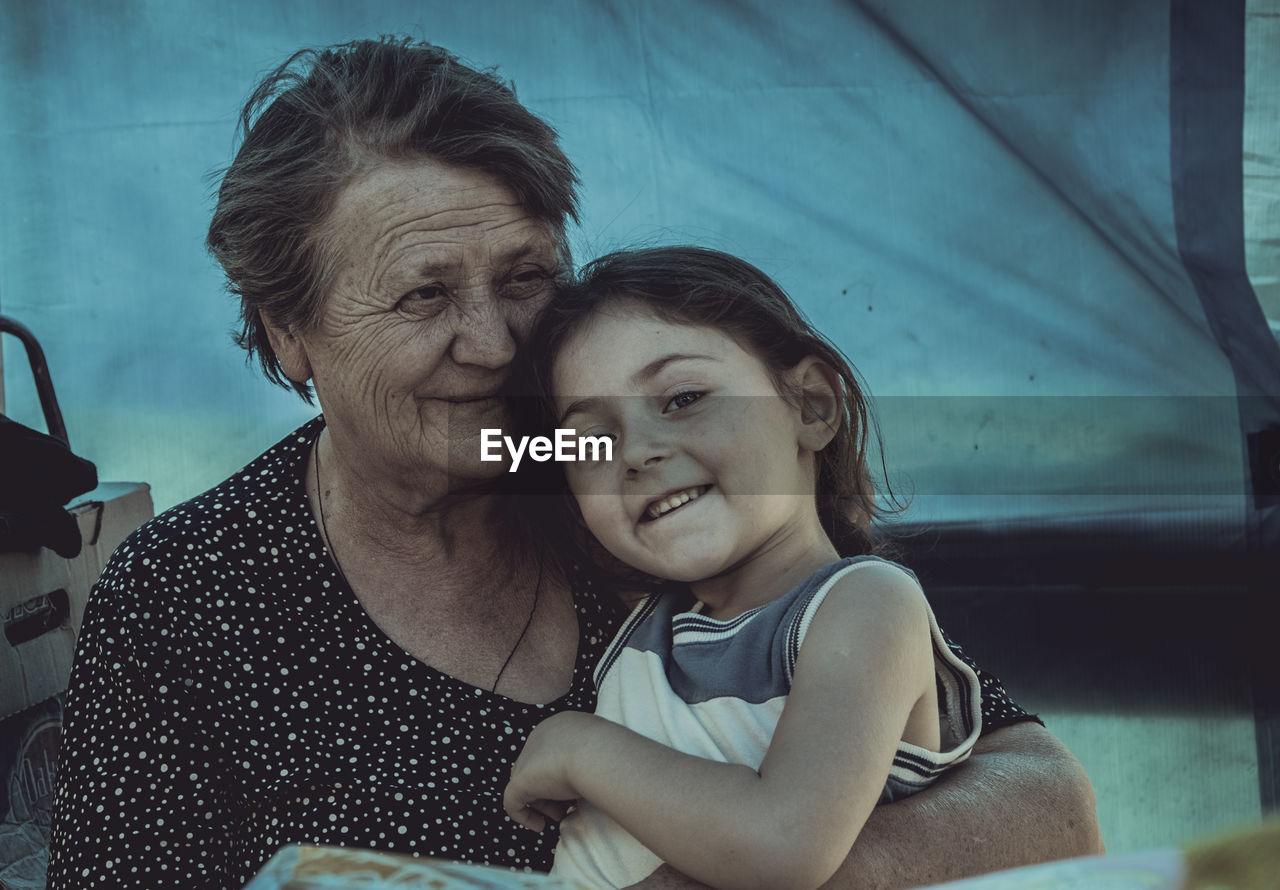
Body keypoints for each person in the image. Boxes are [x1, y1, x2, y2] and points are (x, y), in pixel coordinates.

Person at [47, 37, 1102, 890]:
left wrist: (765, 872)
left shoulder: (638, 479)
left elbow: (1040, 792)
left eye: (523, 277)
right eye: (423, 295)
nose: (499, 345)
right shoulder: (188, 596)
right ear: (288, 332)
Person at [500, 246, 979, 888]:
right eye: (593, 440)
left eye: (683, 397)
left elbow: (783, 847)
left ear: (810, 406)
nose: (637, 452)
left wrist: (577, 748)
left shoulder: (866, 605)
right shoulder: (653, 618)